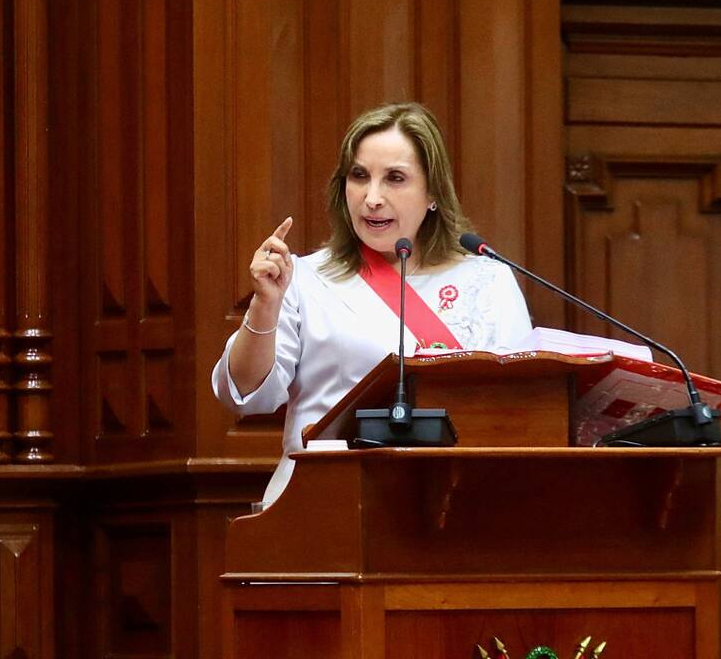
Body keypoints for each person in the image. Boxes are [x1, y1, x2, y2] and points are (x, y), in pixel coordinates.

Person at [211, 102, 533, 507]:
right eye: (359, 176)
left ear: (433, 192)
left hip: (454, 507)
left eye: (395, 178)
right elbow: (243, 393)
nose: (372, 197)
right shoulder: (304, 278)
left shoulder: (488, 280)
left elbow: (521, 411)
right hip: (322, 504)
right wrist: (264, 304)